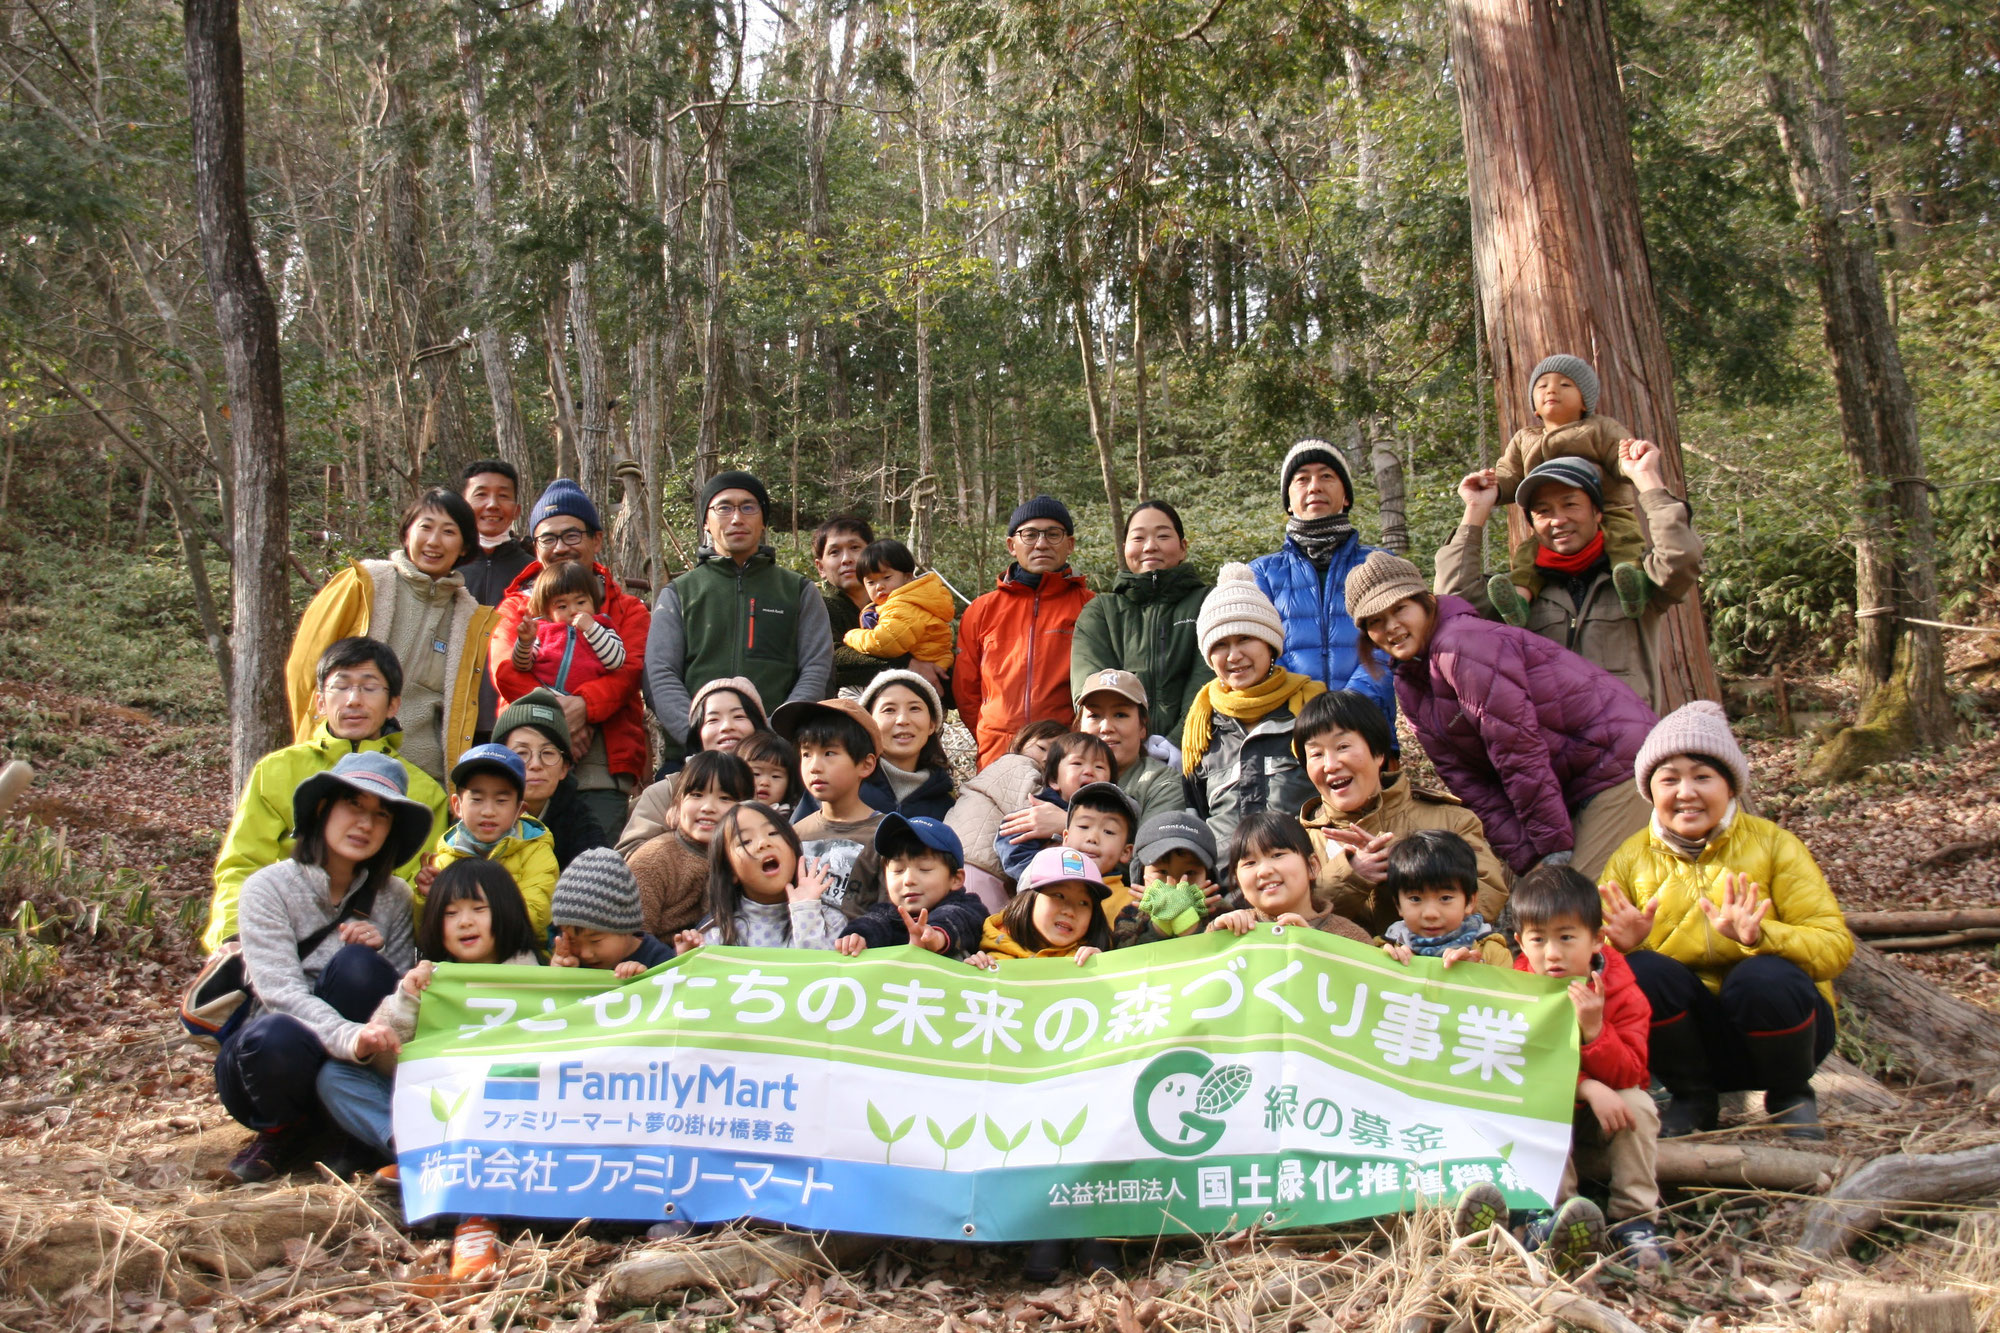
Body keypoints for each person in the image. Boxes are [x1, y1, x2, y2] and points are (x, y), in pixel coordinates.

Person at [1600, 701, 1852, 1139]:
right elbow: (1588, 965)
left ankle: (1791, 1097)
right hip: (1692, 1043)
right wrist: (1621, 950)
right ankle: (1693, 1100)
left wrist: (1762, 936)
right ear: (1650, 790)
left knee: (1762, 975)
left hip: (1783, 1033)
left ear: (1730, 786)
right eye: (1669, 779)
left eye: (1702, 776)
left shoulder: (1775, 846)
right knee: (1641, 972)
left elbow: (1834, 948)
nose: (1686, 792)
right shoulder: (1630, 859)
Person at [1347, 552, 1656, 881]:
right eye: (1376, 621)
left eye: (1400, 609)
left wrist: (1551, 848)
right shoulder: (1411, 684)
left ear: (1425, 602)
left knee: (1579, 904)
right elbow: (1467, 780)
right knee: (1547, 900)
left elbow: (1516, 747)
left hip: (1617, 762)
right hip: (1570, 784)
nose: (1391, 627)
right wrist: (1526, 856)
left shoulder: (1461, 644)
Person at [315, 858, 540, 1278]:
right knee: (337, 1075)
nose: (464, 922)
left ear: (506, 911)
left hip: (502, 1120)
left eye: (478, 908)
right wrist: (408, 996)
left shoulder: (533, 978)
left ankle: (476, 1222)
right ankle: (416, 1152)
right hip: (433, 1110)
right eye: (451, 913)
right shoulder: (431, 977)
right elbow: (383, 1046)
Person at [215, 752, 429, 1184]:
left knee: (362, 967)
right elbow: (279, 992)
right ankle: (280, 1133)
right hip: (269, 1059)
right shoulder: (268, 887)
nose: (365, 824)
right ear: (322, 808)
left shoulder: (395, 897)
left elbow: (401, 1001)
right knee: (278, 1034)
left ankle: (345, 1132)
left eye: (381, 814)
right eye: (354, 805)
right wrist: (351, 1036)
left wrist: (381, 956)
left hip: (351, 1069)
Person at [1456, 864, 1666, 1274]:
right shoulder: (1517, 987)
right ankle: (1550, 1215)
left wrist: (1595, 1031)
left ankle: (1635, 1220)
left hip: (1606, 1116)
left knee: (1639, 1105)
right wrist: (1585, 1087)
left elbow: (1633, 1072)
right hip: (1554, 1105)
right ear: (1520, 942)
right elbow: (1520, 1066)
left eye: (1567, 938)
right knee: (1530, 1102)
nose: (1552, 953)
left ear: (1596, 940)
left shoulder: (1621, 988)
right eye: (1538, 939)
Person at [209, 638, 444, 951]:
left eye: (369, 687)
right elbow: (243, 862)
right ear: (320, 701)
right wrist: (234, 935)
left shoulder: (424, 792)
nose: (353, 700)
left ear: (393, 705)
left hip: (366, 944)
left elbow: (412, 887)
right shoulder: (277, 770)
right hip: (277, 931)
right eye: (341, 686)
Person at [1435, 445, 1702, 714]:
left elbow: (1681, 557)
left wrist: (1646, 478)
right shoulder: (1521, 595)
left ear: (1597, 513)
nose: (1558, 520)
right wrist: (1475, 509)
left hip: (1629, 745)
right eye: (1543, 512)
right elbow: (1453, 599)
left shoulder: (1635, 581)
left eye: (1570, 504)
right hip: (1550, 749)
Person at [286, 489, 496, 787]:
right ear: (407, 531)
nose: (434, 541)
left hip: (423, 781)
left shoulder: (470, 618)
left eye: (449, 532)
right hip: (345, 768)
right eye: (425, 527)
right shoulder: (363, 584)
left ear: (464, 546)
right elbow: (305, 670)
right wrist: (312, 745)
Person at [490, 479, 652, 835]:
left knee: (592, 866)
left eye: (572, 535)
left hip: (603, 759)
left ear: (597, 539)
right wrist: (557, 717)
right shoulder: (516, 607)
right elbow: (505, 671)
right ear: (535, 546)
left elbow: (629, 672)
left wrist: (585, 707)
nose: (560, 547)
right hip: (526, 751)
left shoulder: (627, 609)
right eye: (548, 538)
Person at [645, 470, 833, 766]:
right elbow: (660, 674)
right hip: (692, 760)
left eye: (748, 507)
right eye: (724, 508)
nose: (736, 518)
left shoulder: (798, 591)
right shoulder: (680, 593)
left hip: (778, 762)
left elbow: (816, 669)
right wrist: (699, 735)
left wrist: (773, 736)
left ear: (763, 520)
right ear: (706, 521)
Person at [1294, 690, 1509, 935]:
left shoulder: (1452, 821)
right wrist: (1350, 876)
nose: (1330, 764)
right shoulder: (1298, 841)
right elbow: (1285, 920)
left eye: (1342, 746)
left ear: (1378, 754)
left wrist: (1406, 864)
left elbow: (1488, 895)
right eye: (1316, 754)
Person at [1484, 355, 1649, 625]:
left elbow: (1618, 457)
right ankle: (1518, 599)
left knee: (1624, 539)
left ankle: (1632, 584)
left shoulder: (1598, 428)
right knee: (1528, 554)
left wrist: (1630, 459)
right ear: (1534, 407)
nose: (1552, 390)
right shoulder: (1526, 438)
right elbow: (1510, 474)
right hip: (1550, 522)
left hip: (1609, 510)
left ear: (1585, 401)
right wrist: (1491, 485)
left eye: (1565, 385)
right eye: (1542, 385)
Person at [1182, 565, 1325, 860]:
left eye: (1245, 639)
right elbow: (1197, 813)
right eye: (1220, 645)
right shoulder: (1203, 724)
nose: (1234, 656)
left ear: (1270, 644)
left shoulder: (1312, 710)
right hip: (1226, 890)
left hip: (1305, 882)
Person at [1249, 440, 1394, 726]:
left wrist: (1348, 708)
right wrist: (1306, 706)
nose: (1314, 486)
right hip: (1286, 730)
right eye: (1302, 479)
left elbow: (1391, 646)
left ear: (1347, 497)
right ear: (1289, 502)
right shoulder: (1262, 573)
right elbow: (1254, 649)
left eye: (1326, 476)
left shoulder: (1379, 563)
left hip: (1368, 726)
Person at [954, 496, 1094, 769]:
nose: (1041, 543)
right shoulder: (982, 610)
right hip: (998, 751)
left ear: (1070, 544)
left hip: (1066, 754)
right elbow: (966, 691)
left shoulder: (1090, 607)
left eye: (1053, 534)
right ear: (1011, 545)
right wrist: (990, 733)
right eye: (1029, 534)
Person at [1070, 501, 1213, 739]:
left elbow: (1211, 682)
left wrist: (1177, 745)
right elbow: (1092, 692)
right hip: (1118, 757)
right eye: (1138, 538)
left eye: (1163, 536)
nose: (1150, 546)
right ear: (1124, 548)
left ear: (1183, 547)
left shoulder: (1208, 601)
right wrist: (1135, 749)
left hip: (1199, 750)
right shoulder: (1101, 611)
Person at [616, 677, 770, 853]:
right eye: (713, 720)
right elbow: (629, 856)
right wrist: (684, 837)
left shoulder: (779, 786)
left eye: (739, 716)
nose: (727, 726)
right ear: (698, 733)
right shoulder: (667, 791)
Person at [425, 744, 557, 936]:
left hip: (518, 955)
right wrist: (426, 898)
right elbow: (428, 932)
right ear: (457, 805)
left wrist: (473, 925)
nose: (488, 812)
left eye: (501, 801)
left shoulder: (536, 850)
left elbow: (536, 915)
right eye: (477, 799)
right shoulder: (446, 856)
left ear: (519, 810)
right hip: (460, 956)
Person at [675, 802, 845, 949]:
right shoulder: (717, 935)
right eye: (745, 841)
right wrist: (687, 962)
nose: (763, 843)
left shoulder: (831, 922)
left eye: (773, 833)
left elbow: (819, 976)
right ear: (731, 872)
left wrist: (806, 911)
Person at [793, 670, 955, 823]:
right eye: (889, 710)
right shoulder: (838, 786)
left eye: (914, 708)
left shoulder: (948, 806)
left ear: (932, 724)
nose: (902, 720)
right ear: (868, 722)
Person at [776, 698, 886, 914]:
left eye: (829, 753)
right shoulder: (796, 833)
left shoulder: (884, 835)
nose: (814, 767)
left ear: (866, 764)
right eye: (806, 754)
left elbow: (888, 912)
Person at [627, 751, 753, 939]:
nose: (708, 807)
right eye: (696, 795)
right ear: (677, 804)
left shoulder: (749, 856)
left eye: (725, 798)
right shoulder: (654, 859)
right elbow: (633, 938)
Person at [944, 722, 1066, 906]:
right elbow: (1033, 804)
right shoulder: (1016, 765)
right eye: (1041, 747)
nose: (1047, 757)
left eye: (1057, 755)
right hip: (977, 864)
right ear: (1019, 744)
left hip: (964, 861)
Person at [1205, 813, 1371, 945]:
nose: (1264, 871)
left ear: (1312, 866)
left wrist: (1314, 947)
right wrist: (1216, 938)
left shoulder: (1351, 938)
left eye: (1277, 855)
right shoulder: (1231, 931)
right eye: (1249, 863)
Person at [834, 816, 985, 959]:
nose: (909, 880)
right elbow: (871, 923)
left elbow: (957, 918)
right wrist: (856, 937)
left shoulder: (969, 908)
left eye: (924, 869)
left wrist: (936, 935)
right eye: (898, 870)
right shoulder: (887, 913)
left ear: (956, 879)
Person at [493, 690, 612, 870]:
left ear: (564, 768)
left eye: (548, 753)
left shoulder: (579, 821)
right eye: (521, 753)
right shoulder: (479, 811)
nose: (535, 765)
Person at [814, 515, 930, 693]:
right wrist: (903, 666)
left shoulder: (905, 604)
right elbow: (831, 658)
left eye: (855, 548)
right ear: (821, 567)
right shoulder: (819, 607)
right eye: (834, 552)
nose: (846, 559)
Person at [1376, 831, 1511, 967]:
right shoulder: (1382, 950)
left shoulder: (1491, 953)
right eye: (1415, 899)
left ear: (1470, 901)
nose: (1430, 914)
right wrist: (1387, 966)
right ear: (1398, 905)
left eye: (1445, 898)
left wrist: (1475, 973)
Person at [1075, 669, 1184, 832]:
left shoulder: (1163, 785)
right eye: (1094, 715)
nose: (1106, 727)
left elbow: (1154, 853)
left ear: (1142, 727)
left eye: (1120, 715)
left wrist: (1068, 824)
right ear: (1079, 726)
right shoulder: (1059, 774)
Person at [969, 846, 1112, 968]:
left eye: (1083, 903)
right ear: (1027, 900)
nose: (1070, 911)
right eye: (1059, 895)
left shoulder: (1092, 961)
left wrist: (1103, 971)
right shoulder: (992, 960)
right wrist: (973, 975)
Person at [994, 732, 1115, 877]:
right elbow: (1014, 851)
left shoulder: (1117, 816)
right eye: (1077, 763)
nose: (1089, 771)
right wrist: (1052, 877)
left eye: (1099, 767)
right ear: (1054, 780)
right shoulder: (1039, 811)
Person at [547, 848, 675, 977]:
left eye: (595, 940)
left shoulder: (658, 958)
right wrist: (559, 974)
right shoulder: (573, 960)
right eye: (573, 941)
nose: (585, 954)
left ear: (626, 928)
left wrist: (642, 980)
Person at [509, 561, 628, 694]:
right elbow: (522, 665)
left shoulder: (603, 628)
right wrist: (525, 642)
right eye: (562, 606)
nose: (573, 610)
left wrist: (592, 629)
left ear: (594, 602)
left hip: (586, 699)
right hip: (545, 697)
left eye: (581, 602)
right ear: (548, 613)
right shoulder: (543, 631)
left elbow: (615, 661)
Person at [842, 538, 956, 675]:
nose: (879, 586)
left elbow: (885, 643)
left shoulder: (905, 605)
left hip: (928, 671)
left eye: (887, 577)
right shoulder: (903, 601)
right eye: (871, 582)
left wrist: (852, 636)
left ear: (907, 577)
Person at [1115, 811, 1223, 947]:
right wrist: (1162, 924)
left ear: (1210, 876)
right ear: (1140, 873)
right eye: (1162, 872)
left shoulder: (1221, 911)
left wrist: (1187, 922)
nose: (1176, 883)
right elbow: (1127, 958)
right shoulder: (1130, 914)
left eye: (1190, 873)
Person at [460, 460, 532, 608]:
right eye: (481, 494)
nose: (492, 504)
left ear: (516, 511)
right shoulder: (448, 566)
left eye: (503, 495)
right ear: (463, 506)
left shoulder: (534, 571)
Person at [738, 730, 802, 817]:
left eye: (775, 776)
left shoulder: (795, 818)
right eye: (756, 774)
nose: (765, 782)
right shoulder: (726, 815)